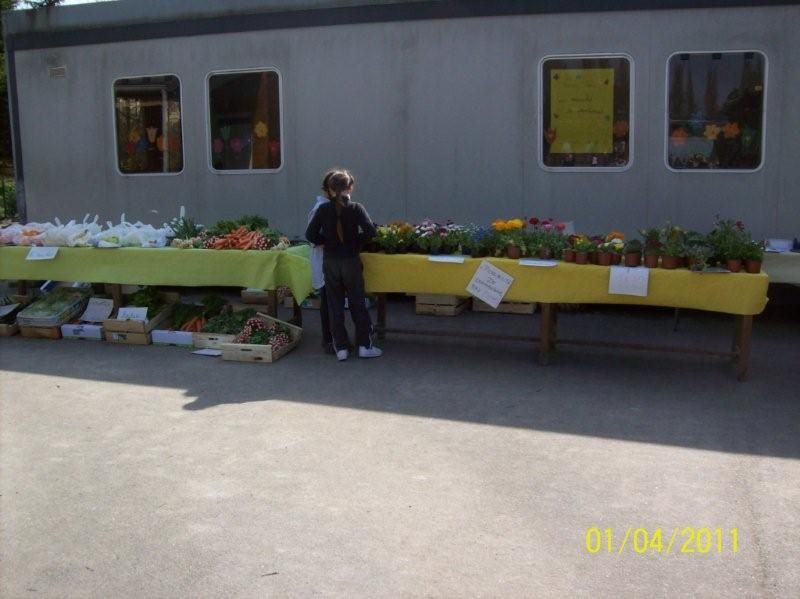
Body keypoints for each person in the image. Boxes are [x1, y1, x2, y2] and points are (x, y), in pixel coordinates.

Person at [305, 168, 381, 361]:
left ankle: (341, 348)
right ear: (350, 188)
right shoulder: (356, 208)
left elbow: (310, 235)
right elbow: (371, 232)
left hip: (330, 263)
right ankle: (365, 345)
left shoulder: (322, 209)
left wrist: (328, 241)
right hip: (350, 261)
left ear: (329, 189)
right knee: (357, 304)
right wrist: (355, 241)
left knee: (335, 306)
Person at [308, 173, 335, 354]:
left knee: (333, 303)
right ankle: (328, 340)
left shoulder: (332, 206)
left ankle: (334, 338)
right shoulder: (320, 208)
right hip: (325, 262)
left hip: (332, 262)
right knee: (328, 303)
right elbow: (312, 238)